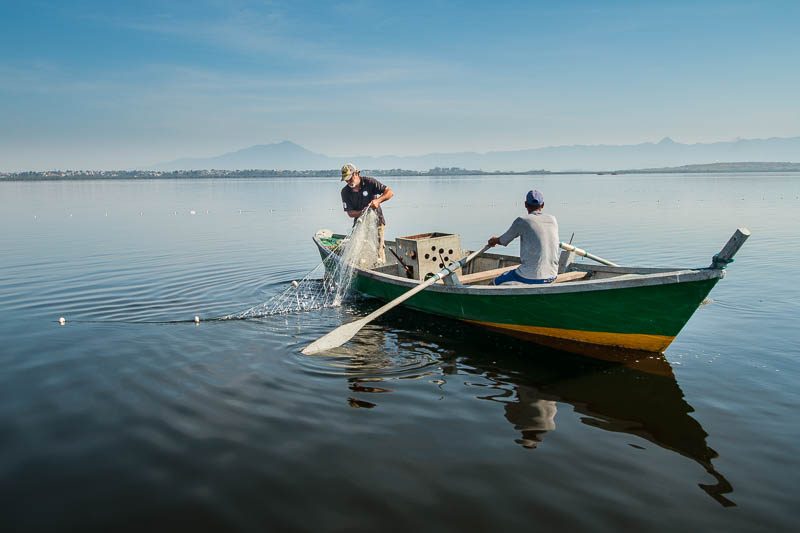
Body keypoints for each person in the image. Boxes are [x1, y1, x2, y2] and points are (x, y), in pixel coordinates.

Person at [486, 189, 559, 285]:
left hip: (529, 276)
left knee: (494, 283)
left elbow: (504, 240)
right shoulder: (553, 219)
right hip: (552, 275)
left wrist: (493, 241)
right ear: (543, 205)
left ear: (525, 204)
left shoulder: (522, 221)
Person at [340, 163, 394, 263]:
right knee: (359, 250)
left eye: (349, 178)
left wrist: (378, 201)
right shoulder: (345, 192)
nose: (348, 182)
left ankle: (380, 267)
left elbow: (390, 192)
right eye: (346, 180)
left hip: (377, 222)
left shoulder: (369, 182)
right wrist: (362, 212)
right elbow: (350, 213)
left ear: (356, 174)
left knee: (379, 250)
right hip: (360, 225)